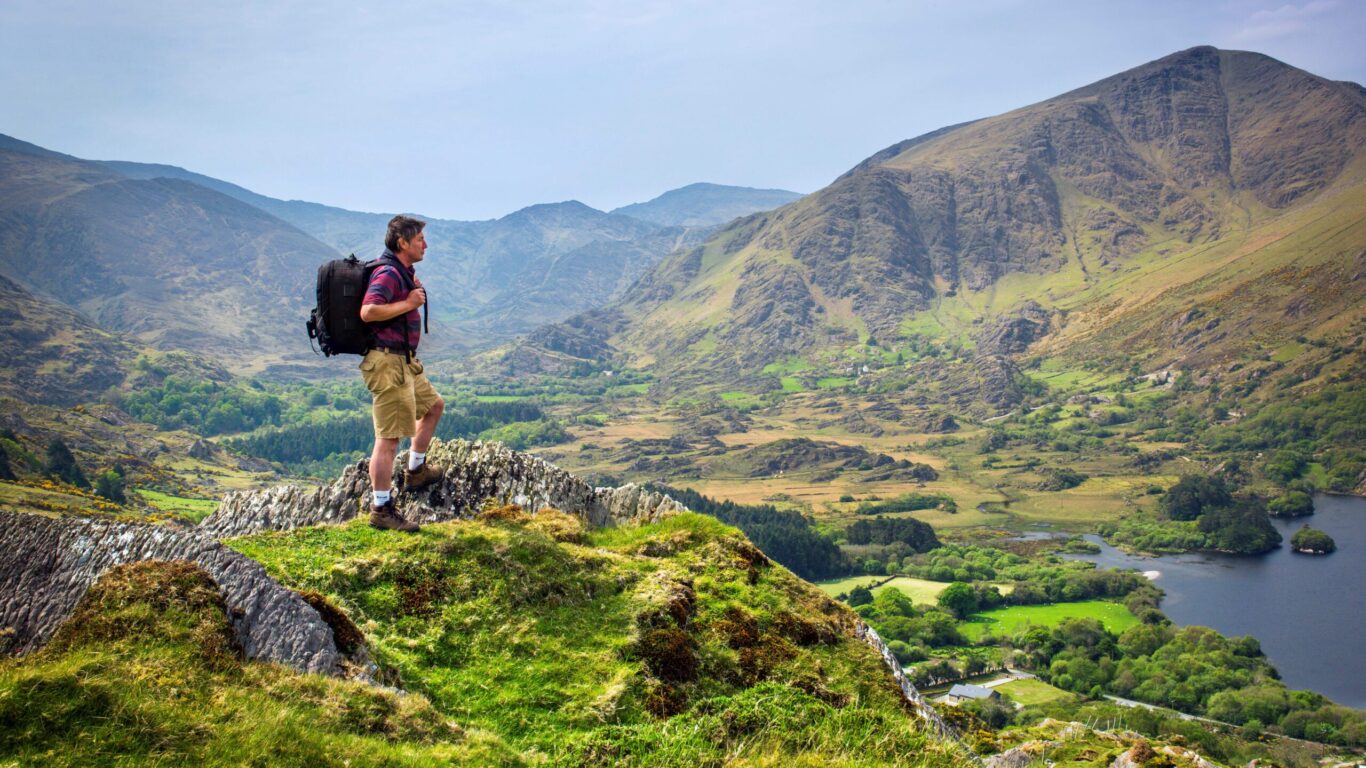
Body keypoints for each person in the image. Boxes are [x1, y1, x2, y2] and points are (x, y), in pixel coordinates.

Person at [358, 215, 445, 532]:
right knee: (388, 440)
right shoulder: (388, 273)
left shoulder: (403, 273)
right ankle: (381, 508)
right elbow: (368, 311)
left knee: (433, 405)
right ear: (402, 243)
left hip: (405, 361)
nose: (425, 244)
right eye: (420, 239)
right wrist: (408, 303)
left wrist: (411, 295)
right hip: (388, 364)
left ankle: (416, 471)